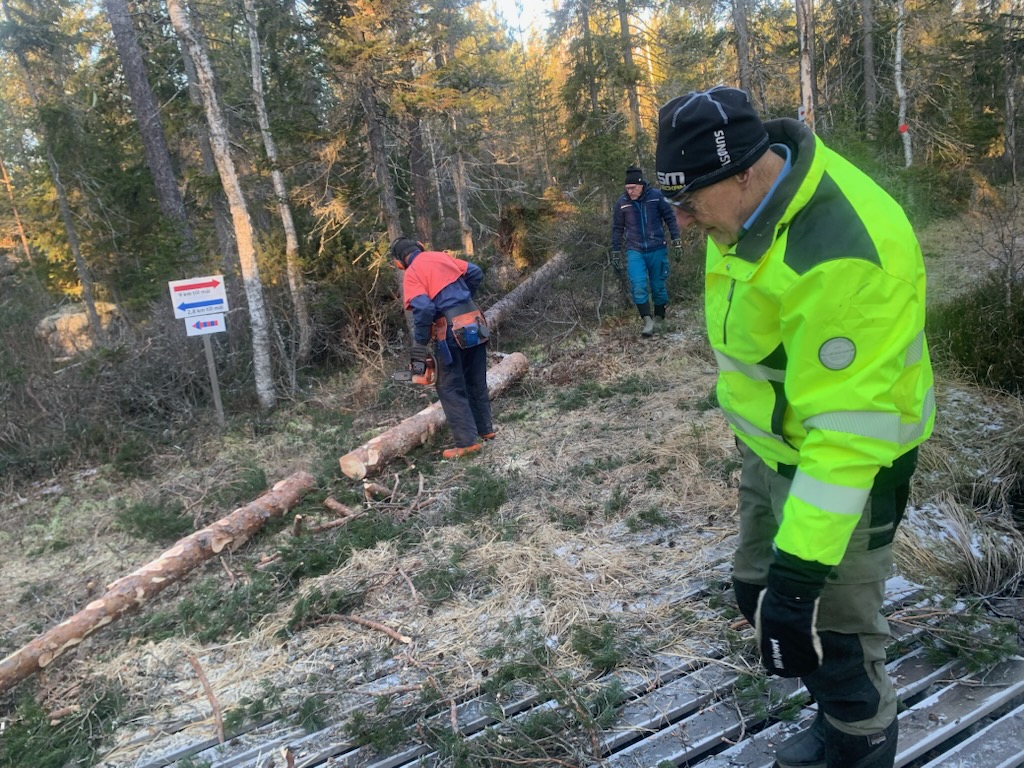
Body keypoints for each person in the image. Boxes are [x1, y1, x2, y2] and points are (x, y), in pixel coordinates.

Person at [655, 86, 935, 768]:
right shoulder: (745, 205)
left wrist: (800, 578)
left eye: (691, 202)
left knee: (832, 627)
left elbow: (848, 437)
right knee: (755, 590)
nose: (685, 221)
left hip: (851, 469)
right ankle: (825, 693)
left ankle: (858, 737)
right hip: (772, 449)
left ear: (745, 170)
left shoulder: (841, 255)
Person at [390, 237, 494, 459]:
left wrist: (420, 342)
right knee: (476, 378)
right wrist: (462, 302)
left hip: (449, 331)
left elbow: (425, 308)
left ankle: (467, 443)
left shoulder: (412, 273)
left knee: (449, 386)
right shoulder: (440, 256)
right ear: (420, 247)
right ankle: (485, 429)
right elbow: (475, 272)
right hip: (476, 322)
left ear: (400, 262)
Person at [611, 166, 683, 337]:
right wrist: (615, 251)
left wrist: (677, 241)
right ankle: (647, 321)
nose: (630, 192)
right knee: (638, 285)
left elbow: (670, 219)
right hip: (635, 250)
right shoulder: (622, 203)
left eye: (633, 188)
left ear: (641, 184)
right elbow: (617, 229)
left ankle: (659, 318)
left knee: (658, 286)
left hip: (657, 247)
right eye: (627, 188)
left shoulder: (657, 197)